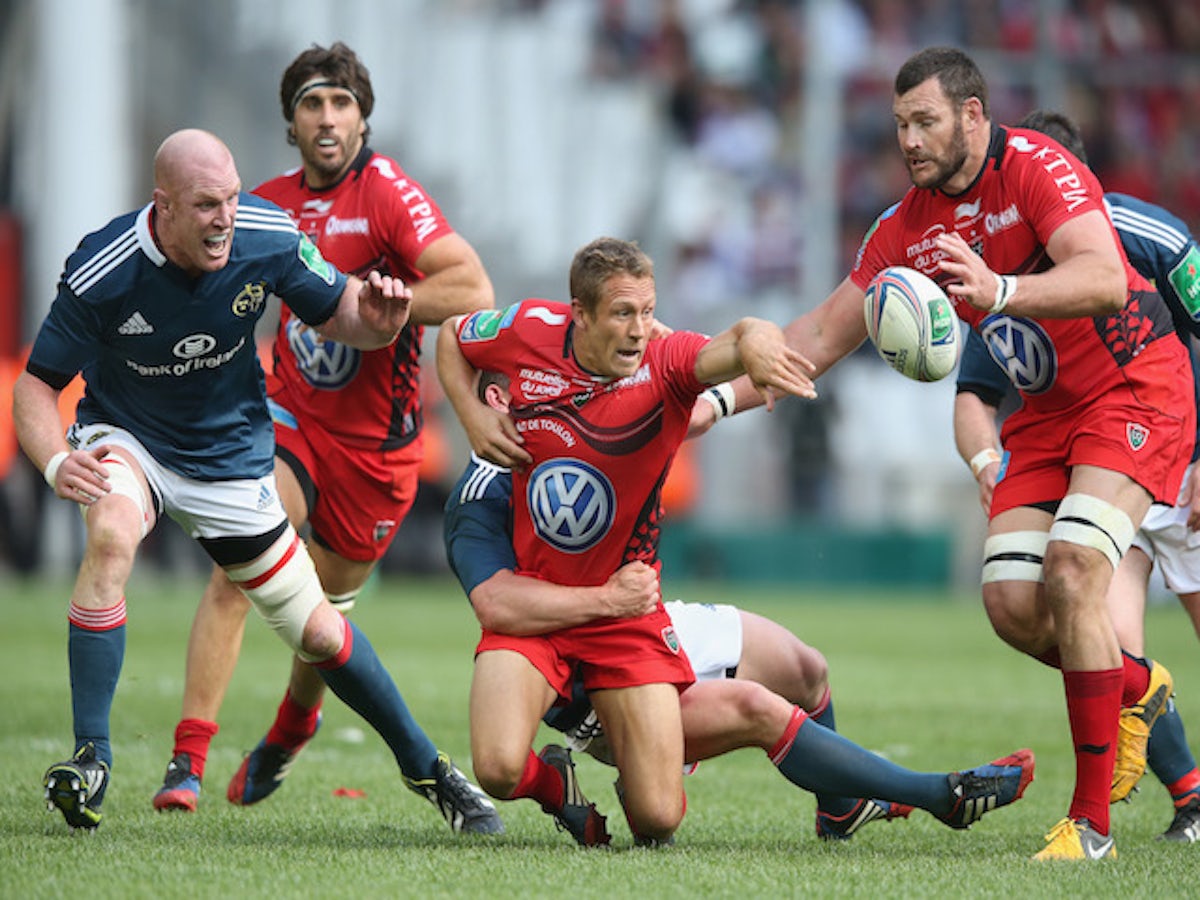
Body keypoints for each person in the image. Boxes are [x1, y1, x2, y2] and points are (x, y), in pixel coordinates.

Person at [673, 47, 1195, 861]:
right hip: (1049, 418)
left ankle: (1090, 828)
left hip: (1133, 391)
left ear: (974, 116)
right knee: (1013, 608)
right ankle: (1139, 687)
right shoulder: (904, 226)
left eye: (926, 121)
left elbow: (1101, 277)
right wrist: (712, 399)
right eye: (899, 126)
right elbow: (815, 337)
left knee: (1072, 573)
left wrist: (1001, 291)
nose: (910, 140)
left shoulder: (1036, 166)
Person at [435, 236, 1033, 846]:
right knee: (500, 765)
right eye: (623, 314)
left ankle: (843, 804)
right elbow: (499, 604)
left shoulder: (662, 364)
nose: (641, 331)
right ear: (578, 315)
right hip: (564, 620)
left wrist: (758, 346)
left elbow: (734, 343)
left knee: (663, 814)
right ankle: (565, 784)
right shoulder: (484, 481)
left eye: (647, 312)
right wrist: (475, 421)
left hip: (627, 619)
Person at [12, 128, 495, 834]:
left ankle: (430, 769)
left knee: (321, 633)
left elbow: (346, 316)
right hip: (131, 438)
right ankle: (93, 756)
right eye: (207, 204)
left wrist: (382, 321)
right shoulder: (104, 265)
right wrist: (57, 461)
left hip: (230, 455)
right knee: (112, 534)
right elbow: (35, 387)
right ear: (165, 205)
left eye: (233, 199)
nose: (225, 218)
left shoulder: (268, 234)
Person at [148, 44, 500, 835]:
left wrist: (389, 301)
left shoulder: (386, 194)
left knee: (324, 613)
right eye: (313, 103)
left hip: (378, 454)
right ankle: (188, 761)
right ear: (291, 121)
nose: (328, 117)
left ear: (362, 117)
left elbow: (472, 286)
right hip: (290, 425)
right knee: (242, 567)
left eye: (341, 102)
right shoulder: (261, 204)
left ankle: (291, 727)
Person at [954, 108, 1200, 844]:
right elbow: (974, 391)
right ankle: (1187, 797)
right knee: (1089, 632)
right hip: (1098, 470)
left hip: (1176, 456)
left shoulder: (1144, 232)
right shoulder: (1006, 263)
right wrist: (985, 459)